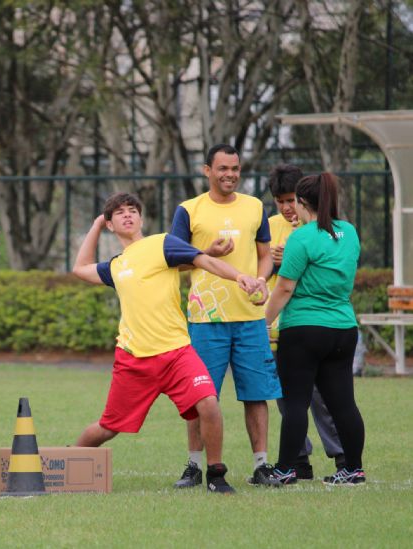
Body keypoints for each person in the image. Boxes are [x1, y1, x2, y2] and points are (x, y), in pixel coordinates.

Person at [72, 192, 263, 494]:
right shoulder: (117, 265)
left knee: (209, 404)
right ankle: (66, 465)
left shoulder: (163, 243)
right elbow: (80, 269)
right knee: (107, 428)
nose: (127, 215)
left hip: (176, 353)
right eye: (119, 213)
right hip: (134, 359)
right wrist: (96, 223)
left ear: (141, 218)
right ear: (111, 224)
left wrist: (240, 276)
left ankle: (215, 474)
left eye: (132, 210)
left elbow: (204, 261)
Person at [170, 143, 282, 488]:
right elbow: (175, 260)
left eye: (235, 168)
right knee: (200, 396)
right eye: (222, 169)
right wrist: (206, 252)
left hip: (250, 318)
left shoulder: (254, 207)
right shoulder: (188, 210)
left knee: (257, 393)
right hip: (206, 320)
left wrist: (261, 280)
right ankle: (194, 465)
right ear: (207, 171)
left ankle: (262, 465)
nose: (230, 174)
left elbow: (265, 255)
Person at [265, 172, 366, 486]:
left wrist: (261, 323)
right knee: (343, 403)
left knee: (295, 402)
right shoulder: (349, 232)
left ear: (300, 202)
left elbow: (283, 289)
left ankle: (284, 470)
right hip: (343, 329)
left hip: (304, 330)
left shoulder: (302, 237)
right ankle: (353, 469)